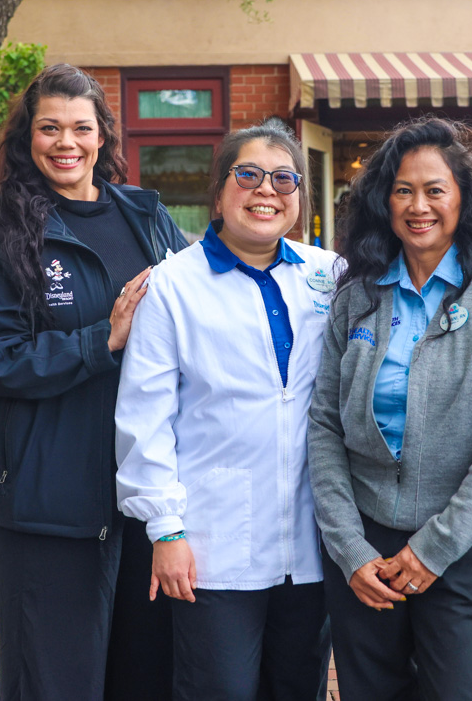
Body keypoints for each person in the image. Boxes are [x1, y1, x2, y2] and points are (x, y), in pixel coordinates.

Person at [0, 64, 188, 701]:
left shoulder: (143, 213)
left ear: (102, 135)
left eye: (81, 128)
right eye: (50, 128)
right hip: (44, 496)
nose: (66, 143)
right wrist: (102, 339)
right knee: (55, 680)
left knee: (140, 675)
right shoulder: (2, 234)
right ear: (28, 138)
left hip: (136, 491)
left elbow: (201, 306)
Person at [307, 117, 472, 701]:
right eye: (403, 190)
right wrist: (349, 548)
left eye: (435, 189)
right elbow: (323, 425)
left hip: (466, 546)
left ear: (463, 199)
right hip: (367, 548)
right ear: (383, 201)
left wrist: (435, 546)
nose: (419, 205)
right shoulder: (359, 296)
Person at [114, 118, 338, 701]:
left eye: (284, 178)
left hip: (313, 542)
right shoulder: (172, 285)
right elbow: (145, 419)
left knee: (298, 688)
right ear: (219, 193)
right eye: (249, 175)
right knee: (220, 689)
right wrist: (166, 530)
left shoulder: (329, 275)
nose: (267, 189)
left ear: (299, 198)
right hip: (214, 546)